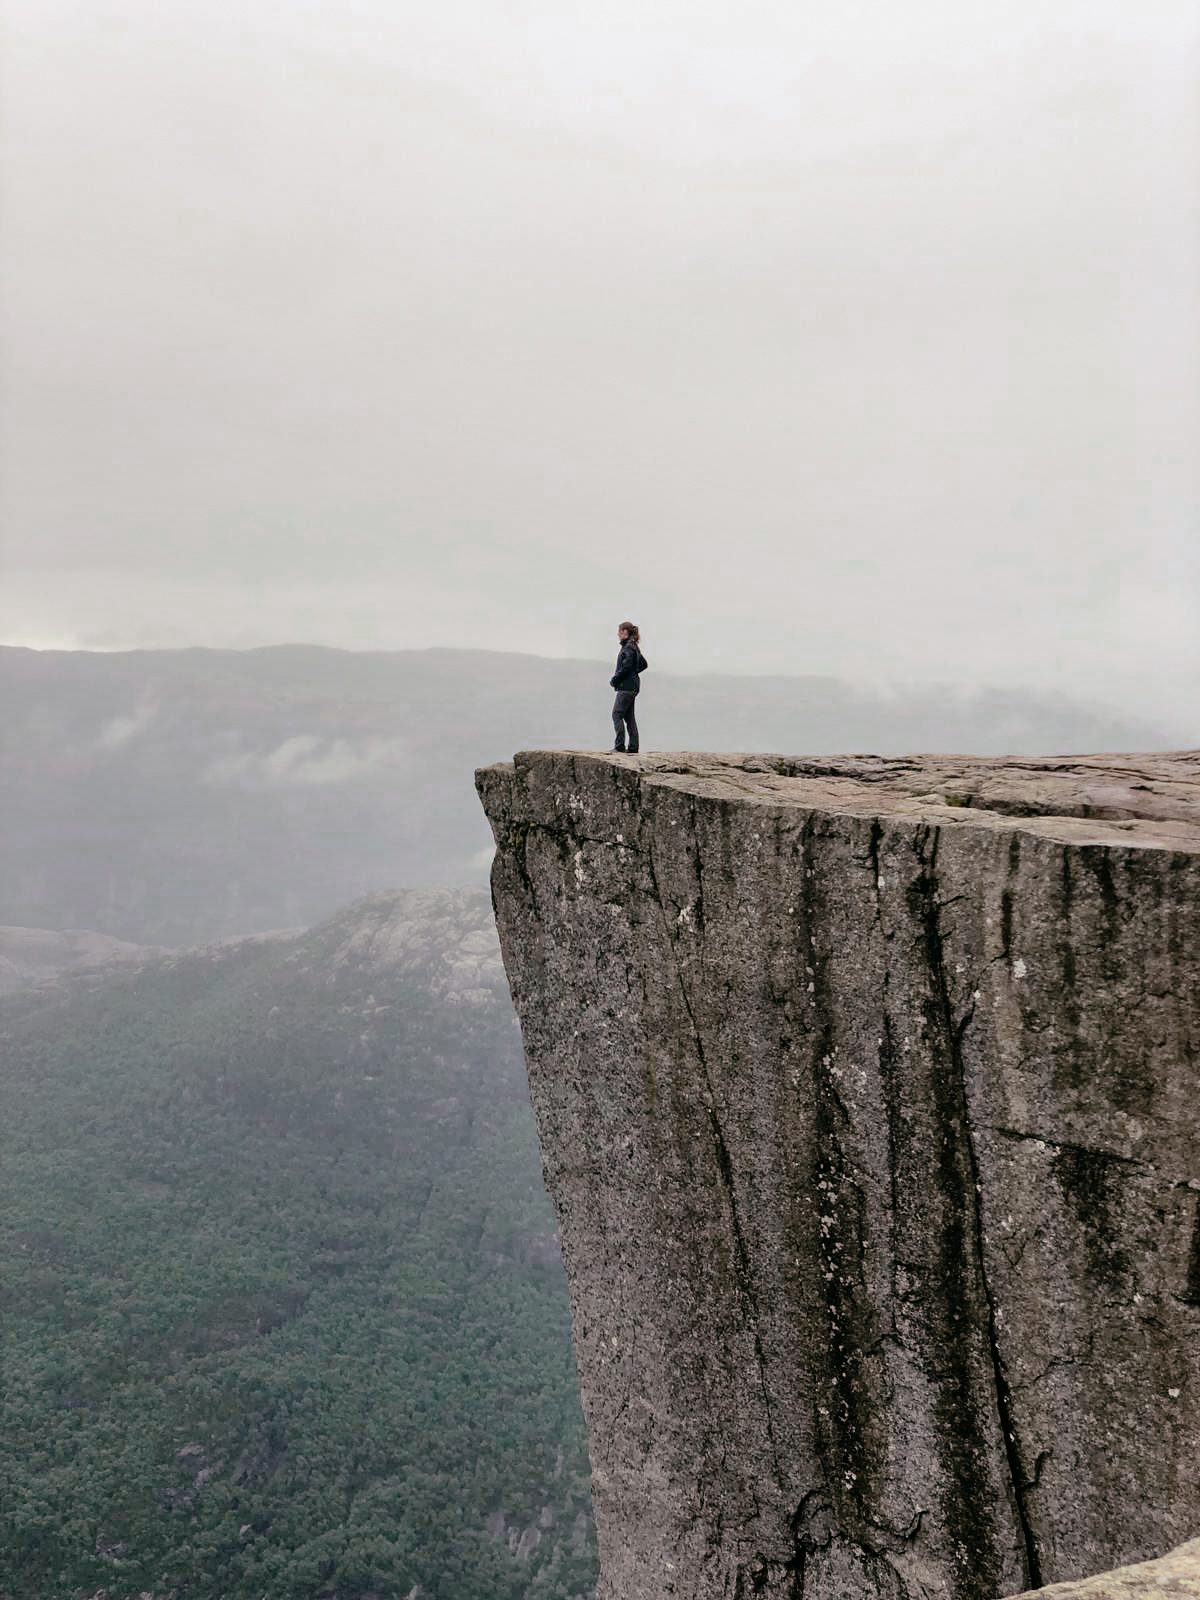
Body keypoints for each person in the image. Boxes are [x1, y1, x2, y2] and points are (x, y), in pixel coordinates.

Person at [610, 621, 647, 753]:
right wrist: (634, 672)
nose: (618, 634)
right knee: (629, 717)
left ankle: (619, 746)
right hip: (633, 686)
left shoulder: (628, 648)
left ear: (625, 631)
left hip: (626, 687)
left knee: (616, 714)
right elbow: (643, 664)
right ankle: (633, 748)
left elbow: (625, 667)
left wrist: (615, 680)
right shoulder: (633, 646)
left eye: (619, 631)